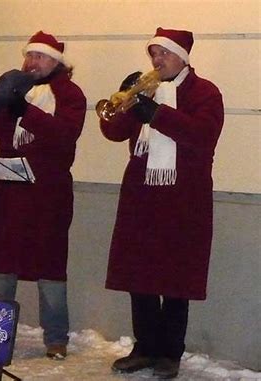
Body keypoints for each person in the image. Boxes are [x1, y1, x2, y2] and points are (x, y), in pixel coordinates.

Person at [99, 27, 224, 379]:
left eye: (164, 53)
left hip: (184, 199)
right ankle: (144, 346)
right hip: (141, 195)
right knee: (139, 273)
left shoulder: (204, 92)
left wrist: (155, 113)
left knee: (175, 277)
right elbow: (113, 131)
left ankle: (170, 352)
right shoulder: (147, 88)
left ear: (183, 57)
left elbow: (202, 136)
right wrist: (127, 99)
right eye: (153, 53)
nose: (156, 60)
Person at [0, 31, 87, 360]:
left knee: (50, 267)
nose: (30, 62)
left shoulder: (70, 94)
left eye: (38, 57)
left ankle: (56, 339)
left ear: (56, 61)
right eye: (29, 56)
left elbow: (63, 135)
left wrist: (24, 109)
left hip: (48, 195)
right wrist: (2, 102)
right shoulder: (17, 86)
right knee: (3, 265)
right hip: (10, 194)